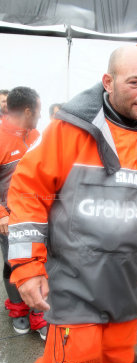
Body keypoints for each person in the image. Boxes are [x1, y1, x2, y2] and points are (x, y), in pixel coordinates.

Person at [7, 46, 137, 363]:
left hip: (125, 294)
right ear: (107, 82)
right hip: (73, 291)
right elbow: (28, 190)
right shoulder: (69, 132)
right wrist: (28, 268)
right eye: (135, 82)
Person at [0, 86, 47, 340]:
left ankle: (39, 313)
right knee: (13, 264)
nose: (40, 116)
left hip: (38, 215)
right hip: (9, 219)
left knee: (39, 262)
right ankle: (18, 310)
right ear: (28, 111)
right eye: (39, 111)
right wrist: (1, 214)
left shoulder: (37, 136)